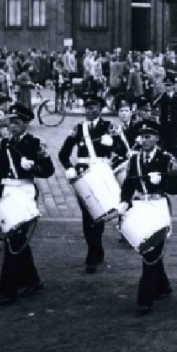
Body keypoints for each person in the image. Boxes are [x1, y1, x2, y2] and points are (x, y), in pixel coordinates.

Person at [0, 103, 55, 305]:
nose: (13, 126)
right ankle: (32, 279)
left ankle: (8, 289)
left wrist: (34, 166)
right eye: (11, 122)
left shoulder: (36, 143)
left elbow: (48, 170)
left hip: (25, 191)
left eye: (17, 122)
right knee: (16, 238)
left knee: (14, 237)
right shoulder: (3, 144)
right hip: (7, 191)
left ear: (26, 123)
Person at [117, 120, 177, 315]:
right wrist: (125, 200)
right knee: (150, 250)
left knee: (151, 250)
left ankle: (144, 299)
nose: (143, 140)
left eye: (148, 137)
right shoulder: (134, 159)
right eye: (141, 136)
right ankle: (163, 286)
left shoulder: (166, 158)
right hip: (141, 205)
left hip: (158, 205)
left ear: (157, 138)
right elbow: (129, 183)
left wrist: (163, 181)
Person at [58, 94, 126, 273]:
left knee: (100, 211)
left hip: (102, 172)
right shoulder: (78, 129)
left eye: (93, 107)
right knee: (87, 213)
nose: (90, 111)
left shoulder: (109, 127)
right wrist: (68, 167)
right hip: (83, 174)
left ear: (101, 108)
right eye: (87, 107)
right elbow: (63, 153)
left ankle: (97, 249)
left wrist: (114, 141)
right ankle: (92, 252)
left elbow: (123, 152)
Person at [153, 76, 177, 157]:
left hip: (176, 125)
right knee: (165, 144)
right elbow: (153, 105)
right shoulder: (162, 96)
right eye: (166, 85)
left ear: (174, 86)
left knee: (175, 145)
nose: (168, 87)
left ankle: (174, 163)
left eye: (170, 85)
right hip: (164, 124)